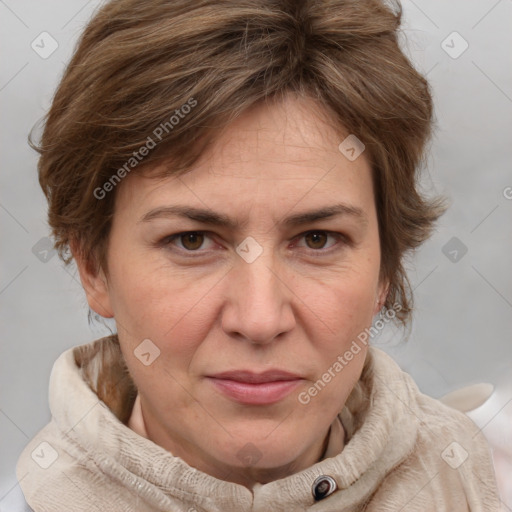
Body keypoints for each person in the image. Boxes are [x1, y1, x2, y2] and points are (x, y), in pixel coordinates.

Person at [16, 0, 501, 510]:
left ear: (386, 268)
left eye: (317, 239)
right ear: (94, 266)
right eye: (193, 240)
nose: (260, 319)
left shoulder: (484, 485)